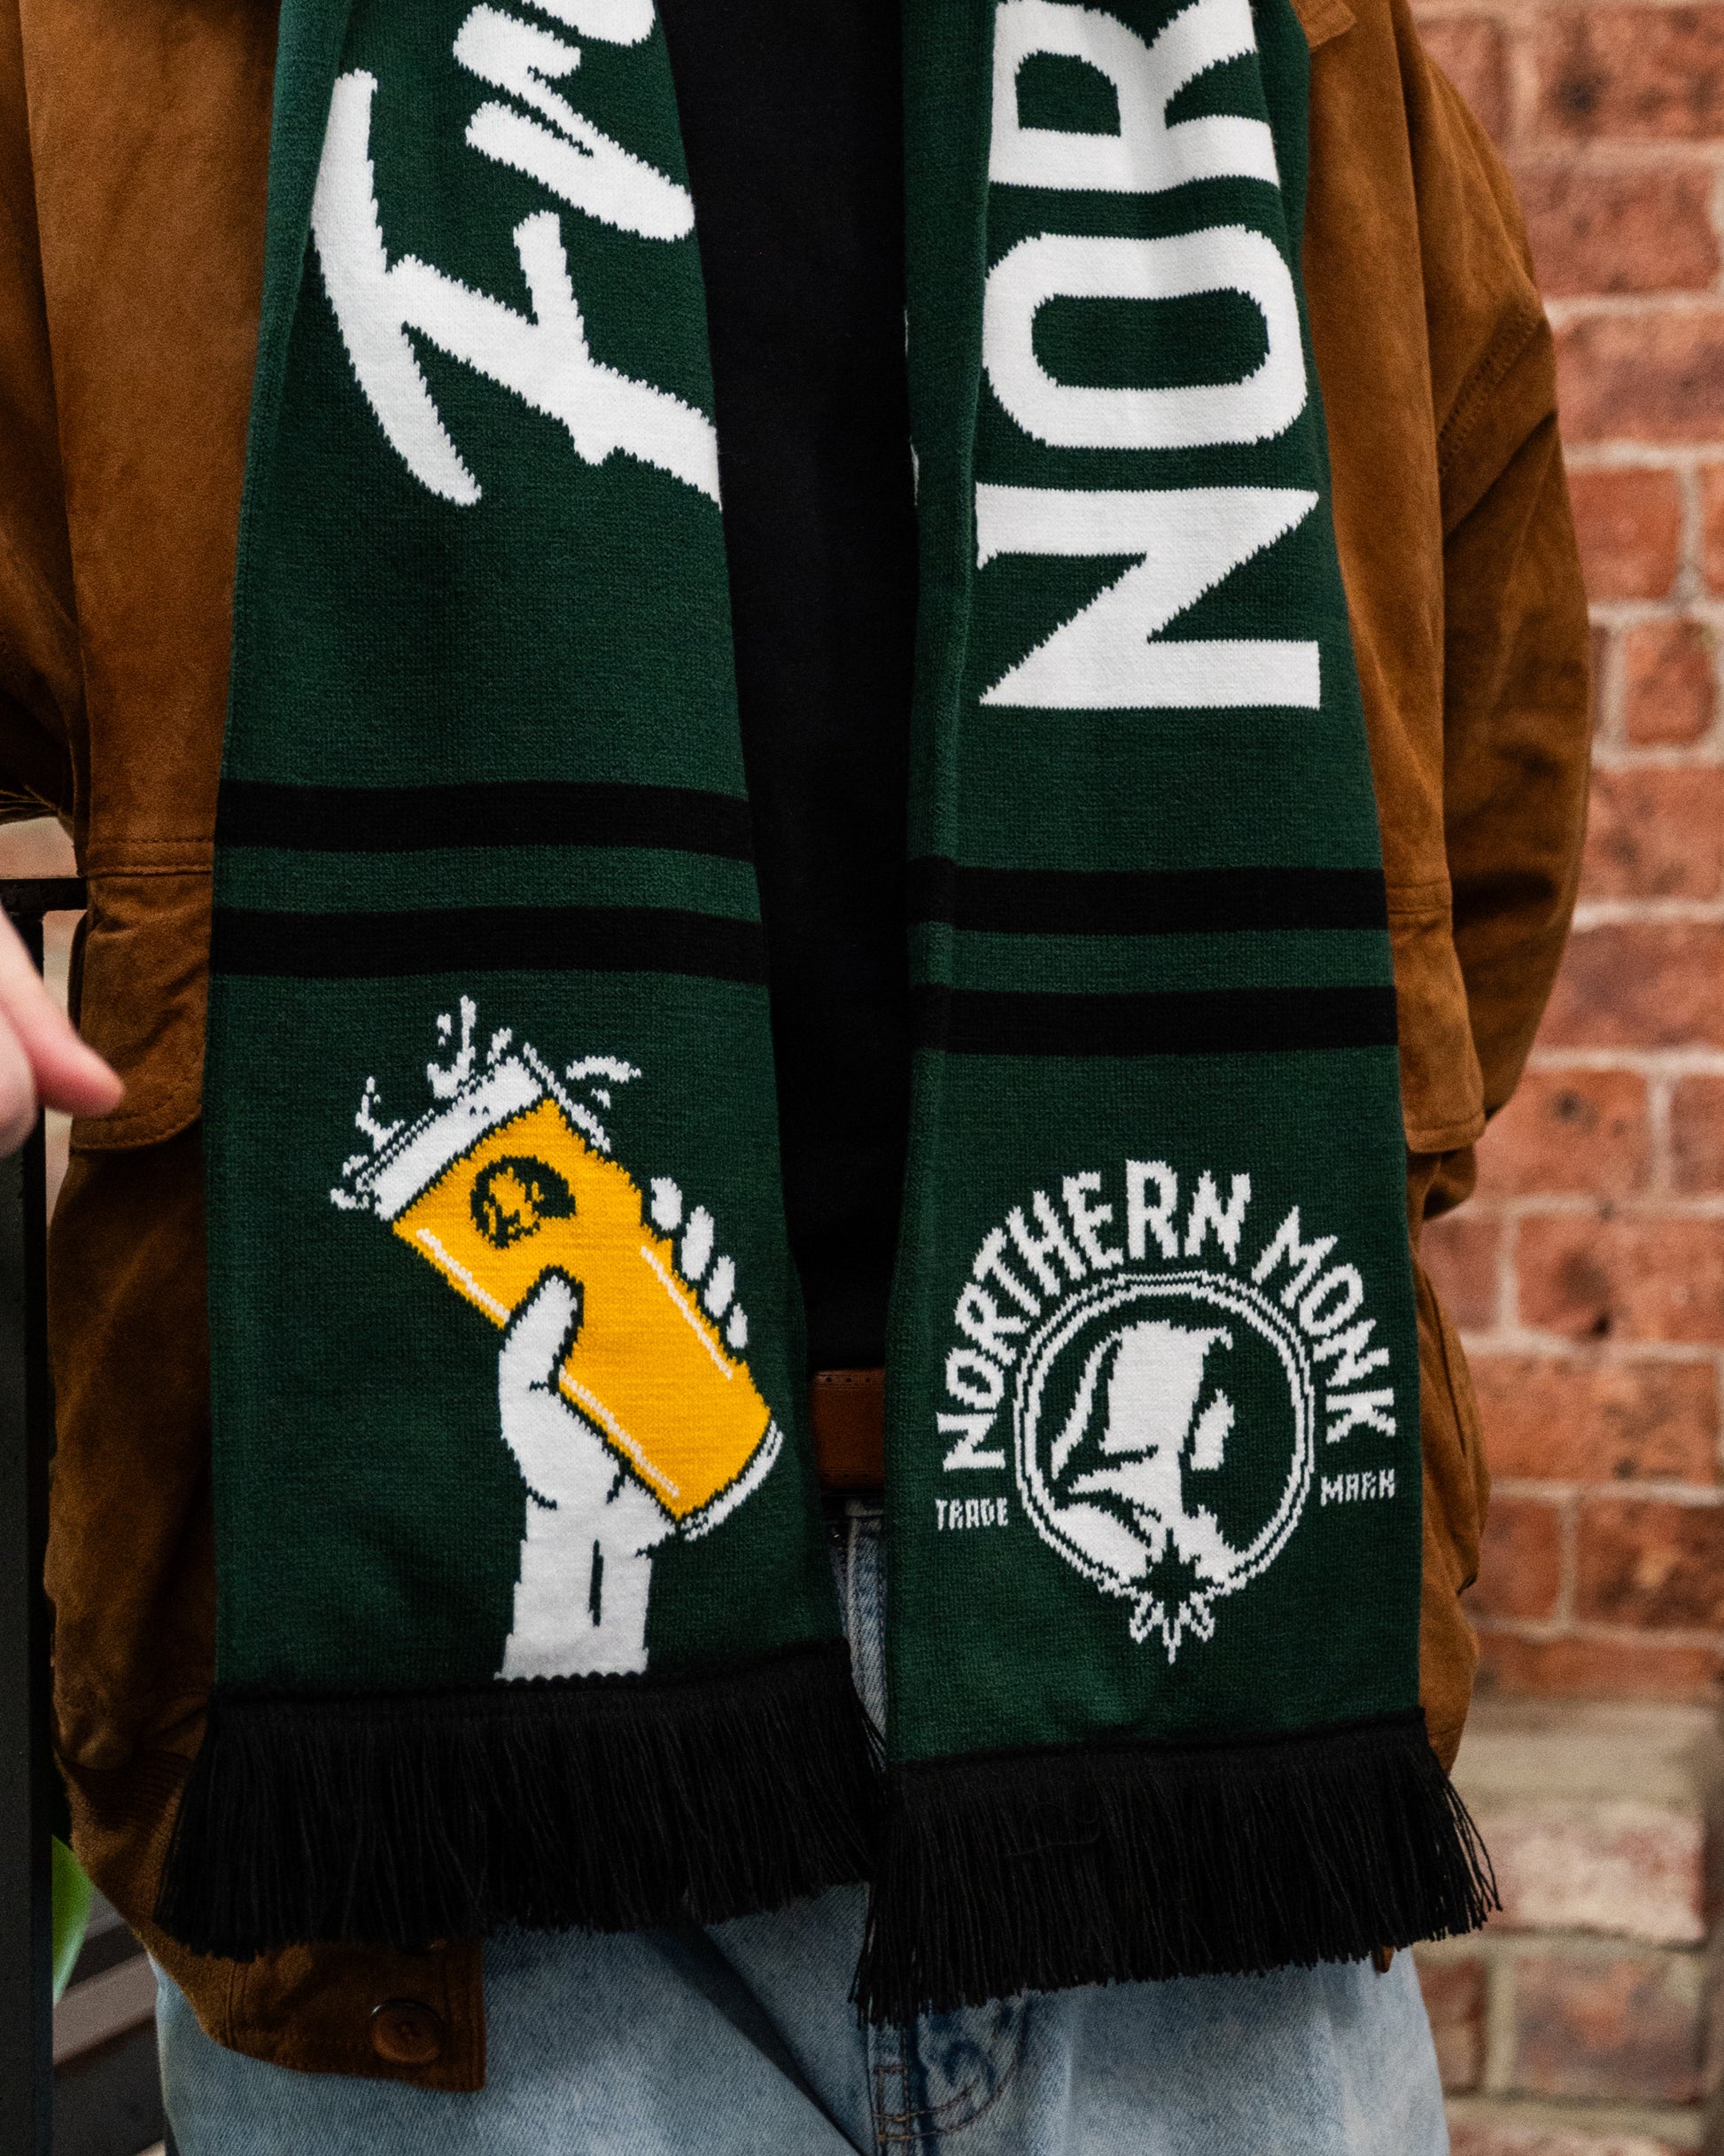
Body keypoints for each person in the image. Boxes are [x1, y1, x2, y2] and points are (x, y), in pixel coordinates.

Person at [0, 0, 1589, 2146]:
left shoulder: (1272, 30)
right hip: (432, 1750)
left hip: (1194, 1742)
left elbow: (1479, 746)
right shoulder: (124, 43)